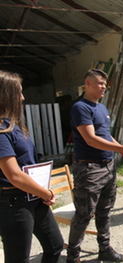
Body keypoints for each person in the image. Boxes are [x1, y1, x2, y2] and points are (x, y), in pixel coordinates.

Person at [67, 69, 123, 263]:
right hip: (89, 169)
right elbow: (90, 139)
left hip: (108, 166)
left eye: (105, 84)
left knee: (105, 211)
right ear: (87, 83)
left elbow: (104, 136)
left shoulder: (102, 108)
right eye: (99, 83)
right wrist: (120, 147)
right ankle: (73, 256)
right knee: (84, 213)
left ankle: (104, 249)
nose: (103, 87)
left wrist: (120, 149)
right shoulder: (80, 107)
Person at [0, 71, 64, 262]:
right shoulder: (2, 131)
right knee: (18, 258)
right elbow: (15, 175)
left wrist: (40, 191)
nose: (22, 97)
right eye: (18, 92)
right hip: (14, 201)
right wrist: (46, 194)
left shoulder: (13, 126)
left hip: (32, 195)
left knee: (55, 245)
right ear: (6, 95)